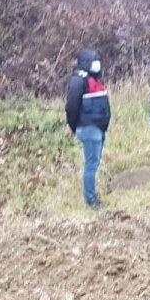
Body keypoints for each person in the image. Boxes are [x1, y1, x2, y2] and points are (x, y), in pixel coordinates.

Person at [64, 48, 110, 210]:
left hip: (98, 127)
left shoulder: (95, 79)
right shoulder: (79, 81)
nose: (97, 64)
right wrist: (71, 124)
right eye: (93, 61)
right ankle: (90, 199)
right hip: (88, 127)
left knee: (94, 163)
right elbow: (71, 106)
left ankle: (91, 195)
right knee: (91, 164)